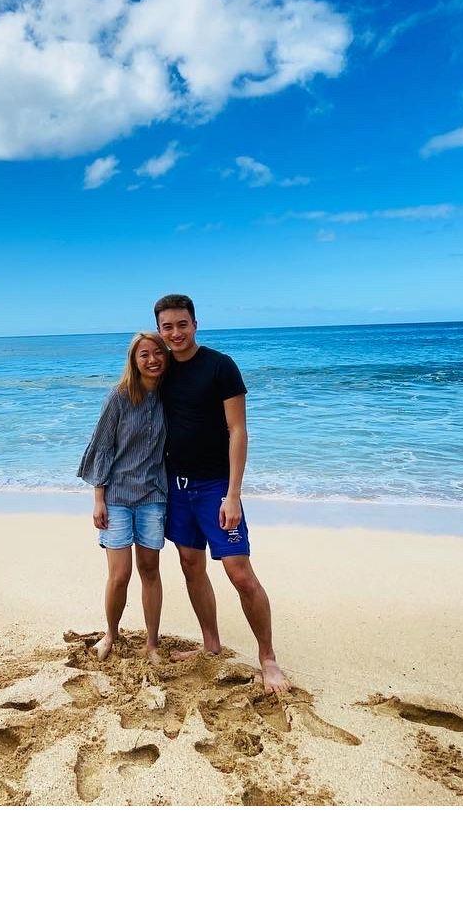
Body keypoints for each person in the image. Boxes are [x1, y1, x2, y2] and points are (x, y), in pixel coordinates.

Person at [152, 293, 289, 694]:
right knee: (191, 566)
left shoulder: (220, 366)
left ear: (195, 324)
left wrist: (233, 494)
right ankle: (210, 644)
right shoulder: (160, 371)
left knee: (239, 573)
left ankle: (267, 657)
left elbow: (238, 431)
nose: (175, 333)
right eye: (167, 327)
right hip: (176, 486)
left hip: (215, 488)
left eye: (182, 324)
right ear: (160, 330)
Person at [76, 331, 169, 664]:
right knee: (120, 574)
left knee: (150, 569)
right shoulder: (117, 397)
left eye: (158, 353)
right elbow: (102, 447)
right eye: (144, 354)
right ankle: (111, 635)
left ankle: (153, 643)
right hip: (116, 495)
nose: (152, 359)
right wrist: (98, 499)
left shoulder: (169, 396)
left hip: (153, 495)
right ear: (134, 360)